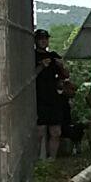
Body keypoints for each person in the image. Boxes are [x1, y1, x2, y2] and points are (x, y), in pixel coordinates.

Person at [33, 28, 67, 159]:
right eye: (40, 39)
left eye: (45, 39)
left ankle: (52, 160)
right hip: (38, 97)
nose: (43, 41)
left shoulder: (53, 56)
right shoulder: (32, 56)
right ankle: (38, 160)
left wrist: (61, 66)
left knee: (55, 131)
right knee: (39, 132)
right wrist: (41, 66)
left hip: (53, 97)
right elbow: (29, 77)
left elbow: (65, 75)